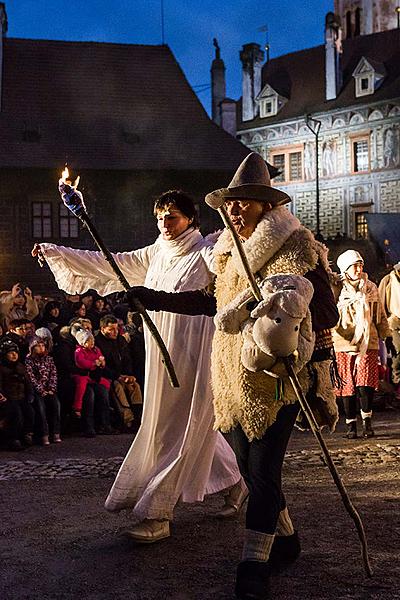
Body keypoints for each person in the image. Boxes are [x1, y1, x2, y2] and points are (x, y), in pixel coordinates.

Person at [123, 154, 339, 599]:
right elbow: (210, 304)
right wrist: (153, 297)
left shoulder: (297, 248)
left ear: (266, 207)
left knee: (264, 471)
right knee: (249, 469)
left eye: (244, 203)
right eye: (231, 203)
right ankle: (288, 537)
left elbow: (327, 310)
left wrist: (287, 302)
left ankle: (252, 564)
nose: (236, 210)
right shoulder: (225, 255)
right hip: (229, 378)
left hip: (278, 379)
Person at [32, 189, 242, 542]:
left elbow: (236, 261)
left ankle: (157, 513)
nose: (165, 224)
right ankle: (236, 484)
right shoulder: (155, 253)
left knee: (175, 428)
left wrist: (235, 229)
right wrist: (58, 251)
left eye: (172, 216)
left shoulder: (206, 250)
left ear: (191, 218)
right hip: (161, 353)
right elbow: (107, 261)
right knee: (184, 424)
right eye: (159, 217)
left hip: (196, 351)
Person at [333, 250, 391, 439]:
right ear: (345, 269)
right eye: (354, 266)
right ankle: (351, 425)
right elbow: (329, 314)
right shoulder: (336, 289)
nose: (359, 269)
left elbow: (380, 314)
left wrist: (386, 335)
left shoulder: (371, 287)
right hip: (343, 343)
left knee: (365, 384)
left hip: (368, 342)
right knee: (346, 385)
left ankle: (367, 423)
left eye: (360, 265)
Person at [95, 314, 142, 431]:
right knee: (118, 388)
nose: (115, 332)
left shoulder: (120, 340)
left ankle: (139, 417)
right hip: (109, 376)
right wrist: (117, 377)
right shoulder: (98, 343)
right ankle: (127, 420)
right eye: (111, 329)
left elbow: (127, 358)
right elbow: (103, 366)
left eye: (116, 329)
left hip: (123, 374)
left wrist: (129, 374)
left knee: (134, 386)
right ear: (103, 329)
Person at [25, 336, 61, 445]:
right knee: (41, 408)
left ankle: (56, 432)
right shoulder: (29, 361)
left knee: (56, 405)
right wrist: (41, 390)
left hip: (49, 389)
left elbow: (53, 374)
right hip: (37, 391)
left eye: (42, 345)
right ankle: (44, 434)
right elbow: (31, 378)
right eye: (38, 346)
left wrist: (51, 388)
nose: (41, 348)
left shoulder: (49, 359)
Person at [0, 338, 35, 450]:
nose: (14, 355)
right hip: (8, 398)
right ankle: (13, 439)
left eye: (15, 352)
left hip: (21, 396)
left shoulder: (20, 366)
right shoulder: (2, 368)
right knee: (16, 415)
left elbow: (28, 382)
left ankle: (27, 434)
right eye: (11, 353)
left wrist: (30, 394)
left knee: (30, 412)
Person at [71, 328, 111, 419]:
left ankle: (106, 404)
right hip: (82, 375)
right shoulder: (79, 351)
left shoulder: (96, 349)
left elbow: (100, 357)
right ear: (83, 343)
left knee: (106, 383)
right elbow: (81, 362)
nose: (92, 342)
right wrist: (93, 364)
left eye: (92, 339)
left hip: (93, 375)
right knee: (81, 386)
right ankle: (77, 407)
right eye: (89, 341)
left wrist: (102, 363)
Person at [378, 262, 400, 392]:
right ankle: (397, 386)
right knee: (398, 355)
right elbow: (381, 304)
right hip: (394, 322)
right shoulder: (388, 280)